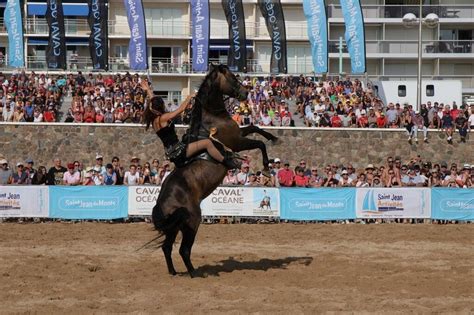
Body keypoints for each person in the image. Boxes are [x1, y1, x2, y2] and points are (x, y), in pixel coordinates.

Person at [141, 80, 240, 169]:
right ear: (159, 107)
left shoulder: (154, 120)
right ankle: (226, 162)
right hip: (179, 152)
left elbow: (153, 102)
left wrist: (148, 90)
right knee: (207, 143)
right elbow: (180, 110)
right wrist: (189, 97)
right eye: (162, 104)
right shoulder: (163, 118)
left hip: (171, 153)